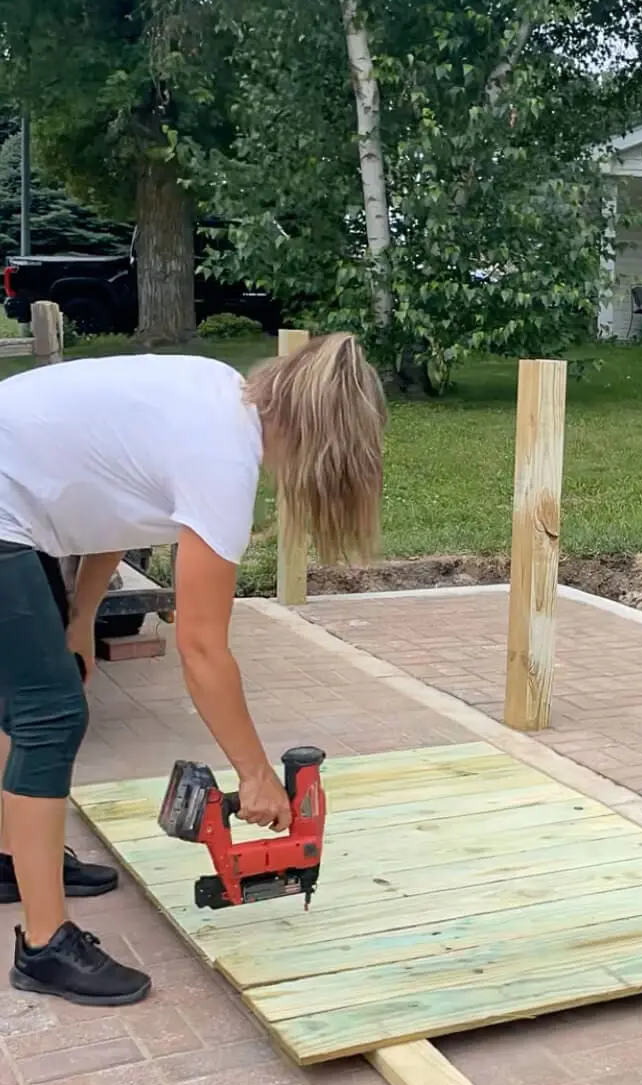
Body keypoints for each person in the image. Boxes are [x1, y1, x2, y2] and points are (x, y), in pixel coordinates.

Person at [0, 333, 385, 1006]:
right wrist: (258, 775)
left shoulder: (214, 392)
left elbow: (115, 494)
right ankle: (43, 943)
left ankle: (11, 862)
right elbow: (203, 649)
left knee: (25, 701)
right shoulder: (223, 457)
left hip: (17, 497)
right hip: (7, 504)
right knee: (50, 713)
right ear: (319, 439)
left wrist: (83, 616)